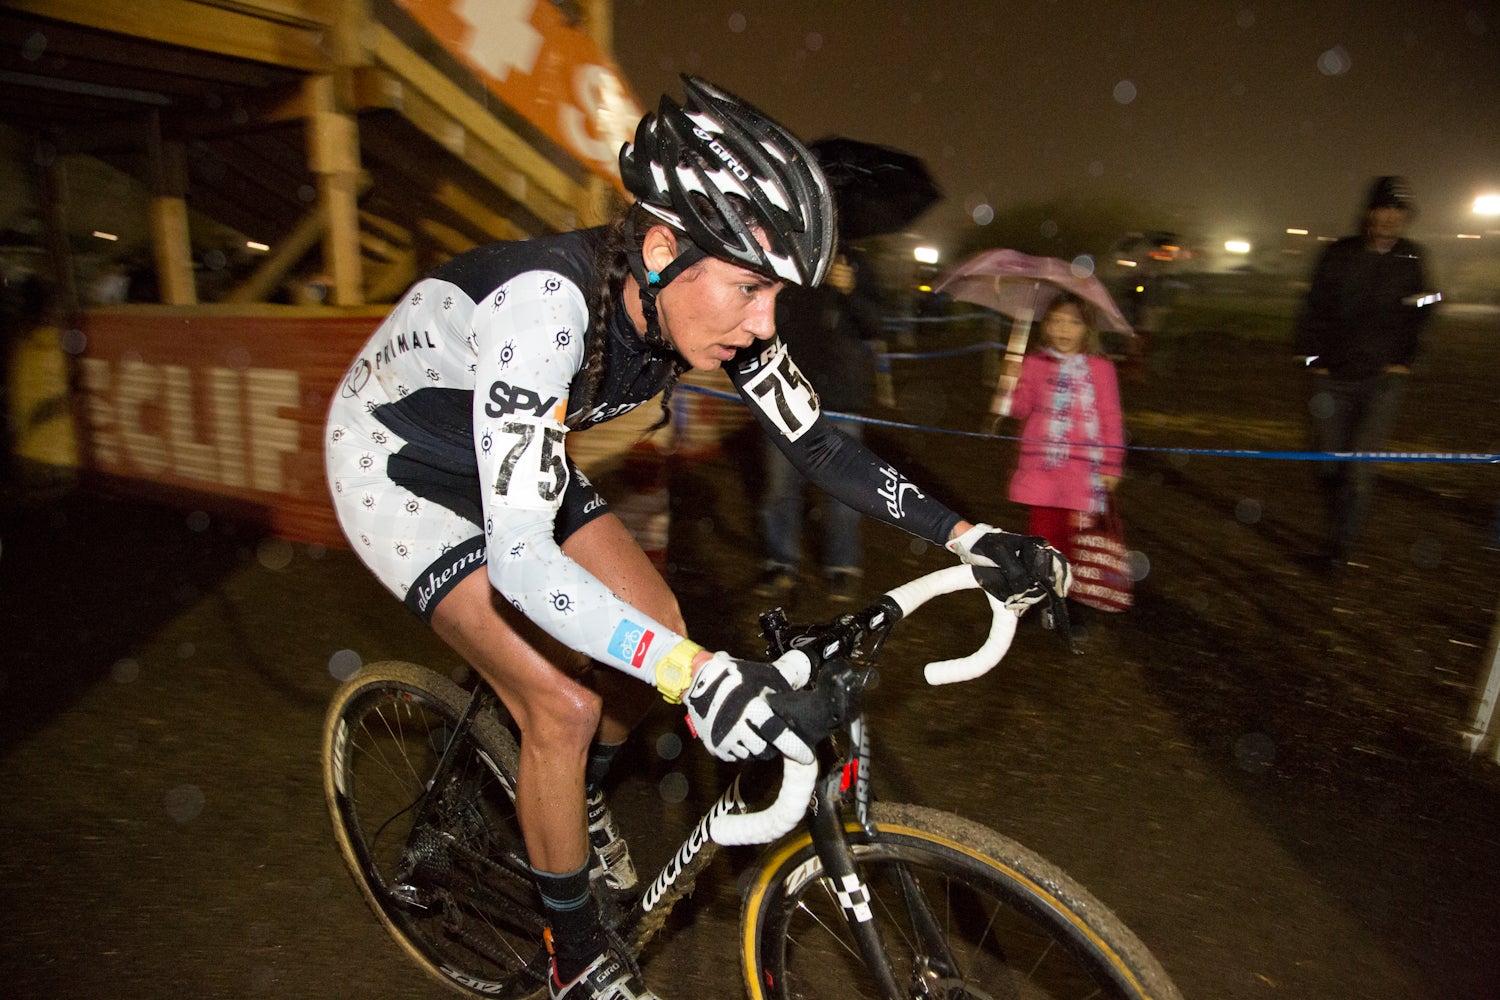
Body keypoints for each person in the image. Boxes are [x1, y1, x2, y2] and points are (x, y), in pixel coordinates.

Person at [324, 76, 1069, 1000]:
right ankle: (576, 966)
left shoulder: (704, 307)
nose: (765, 323)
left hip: (508, 460)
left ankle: (576, 795)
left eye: (775, 295)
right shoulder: (543, 309)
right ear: (664, 247)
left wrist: (967, 534)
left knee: (658, 628)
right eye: (751, 287)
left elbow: (822, 448)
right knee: (563, 707)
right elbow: (519, 559)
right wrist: (699, 677)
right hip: (398, 469)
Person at [1294, 175, 1438, 569]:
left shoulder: (1412, 259)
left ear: (1405, 218)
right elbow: (1312, 307)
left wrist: (1406, 360)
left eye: (1398, 211)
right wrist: (1311, 360)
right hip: (1332, 379)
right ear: (1370, 213)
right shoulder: (1337, 255)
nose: (1390, 218)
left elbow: (1428, 305)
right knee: (1327, 464)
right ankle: (1336, 528)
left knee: (1359, 470)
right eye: (1384, 209)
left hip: (1382, 383)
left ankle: (1339, 550)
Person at [755, 248, 880, 603]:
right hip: (786, 395)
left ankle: (843, 567)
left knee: (844, 492)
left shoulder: (854, 262)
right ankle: (780, 562)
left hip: (842, 399)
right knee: (780, 489)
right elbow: (766, 322)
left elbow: (875, 325)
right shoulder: (786, 262)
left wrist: (851, 292)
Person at [1003, 293, 1125, 632]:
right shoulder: (1036, 363)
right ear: (1046, 325)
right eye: (1057, 321)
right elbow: (1019, 408)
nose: (1064, 329)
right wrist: (1012, 382)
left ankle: (1070, 604)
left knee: (1075, 541)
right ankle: (1040, 597)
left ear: (1086, 328)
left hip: (1083, 472)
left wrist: (1112, 465)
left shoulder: (1100, 368)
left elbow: (1111, 417)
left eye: (1073, 322)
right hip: (1042, 469)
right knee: (1042, 538)